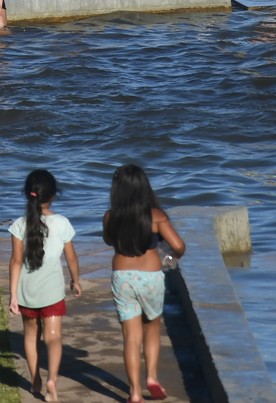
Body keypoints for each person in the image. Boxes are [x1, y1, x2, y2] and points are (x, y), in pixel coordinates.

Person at [103, 164, 184, 403]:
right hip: (150, 277)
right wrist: (172, 256)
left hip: (123, 277)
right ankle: (152, 379)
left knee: (131, 337)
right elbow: (179, 246)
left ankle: (135, 393)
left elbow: (109, 241)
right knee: (152, 328)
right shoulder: (157, 216)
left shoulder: (110, 217)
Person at [8, 169, 81, 403]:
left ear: (28, 195)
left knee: (31, 337)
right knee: (53, 337)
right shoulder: (62, 223)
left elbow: (16, 261)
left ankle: (35, 380)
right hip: (52, 293)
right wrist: (75, 280)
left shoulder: (19, 225)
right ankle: (52, 380)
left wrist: (13, 295)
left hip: (27, 293)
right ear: (53, 195)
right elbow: (71, 258)